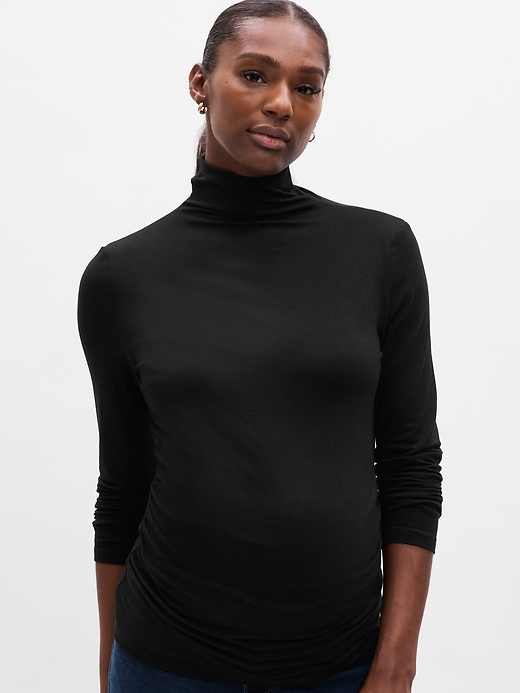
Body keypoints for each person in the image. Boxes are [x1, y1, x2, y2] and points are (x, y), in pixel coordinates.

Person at [78, 1, 443, 692]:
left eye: (307, 86)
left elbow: (411, 464)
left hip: (342, 663)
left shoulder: (379, 251)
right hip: (166, 662)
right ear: (200, 82)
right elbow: (122, 485)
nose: (281, 103)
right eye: (254, 75)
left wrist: (397, 661)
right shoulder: (122, 277)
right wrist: (110, 658)